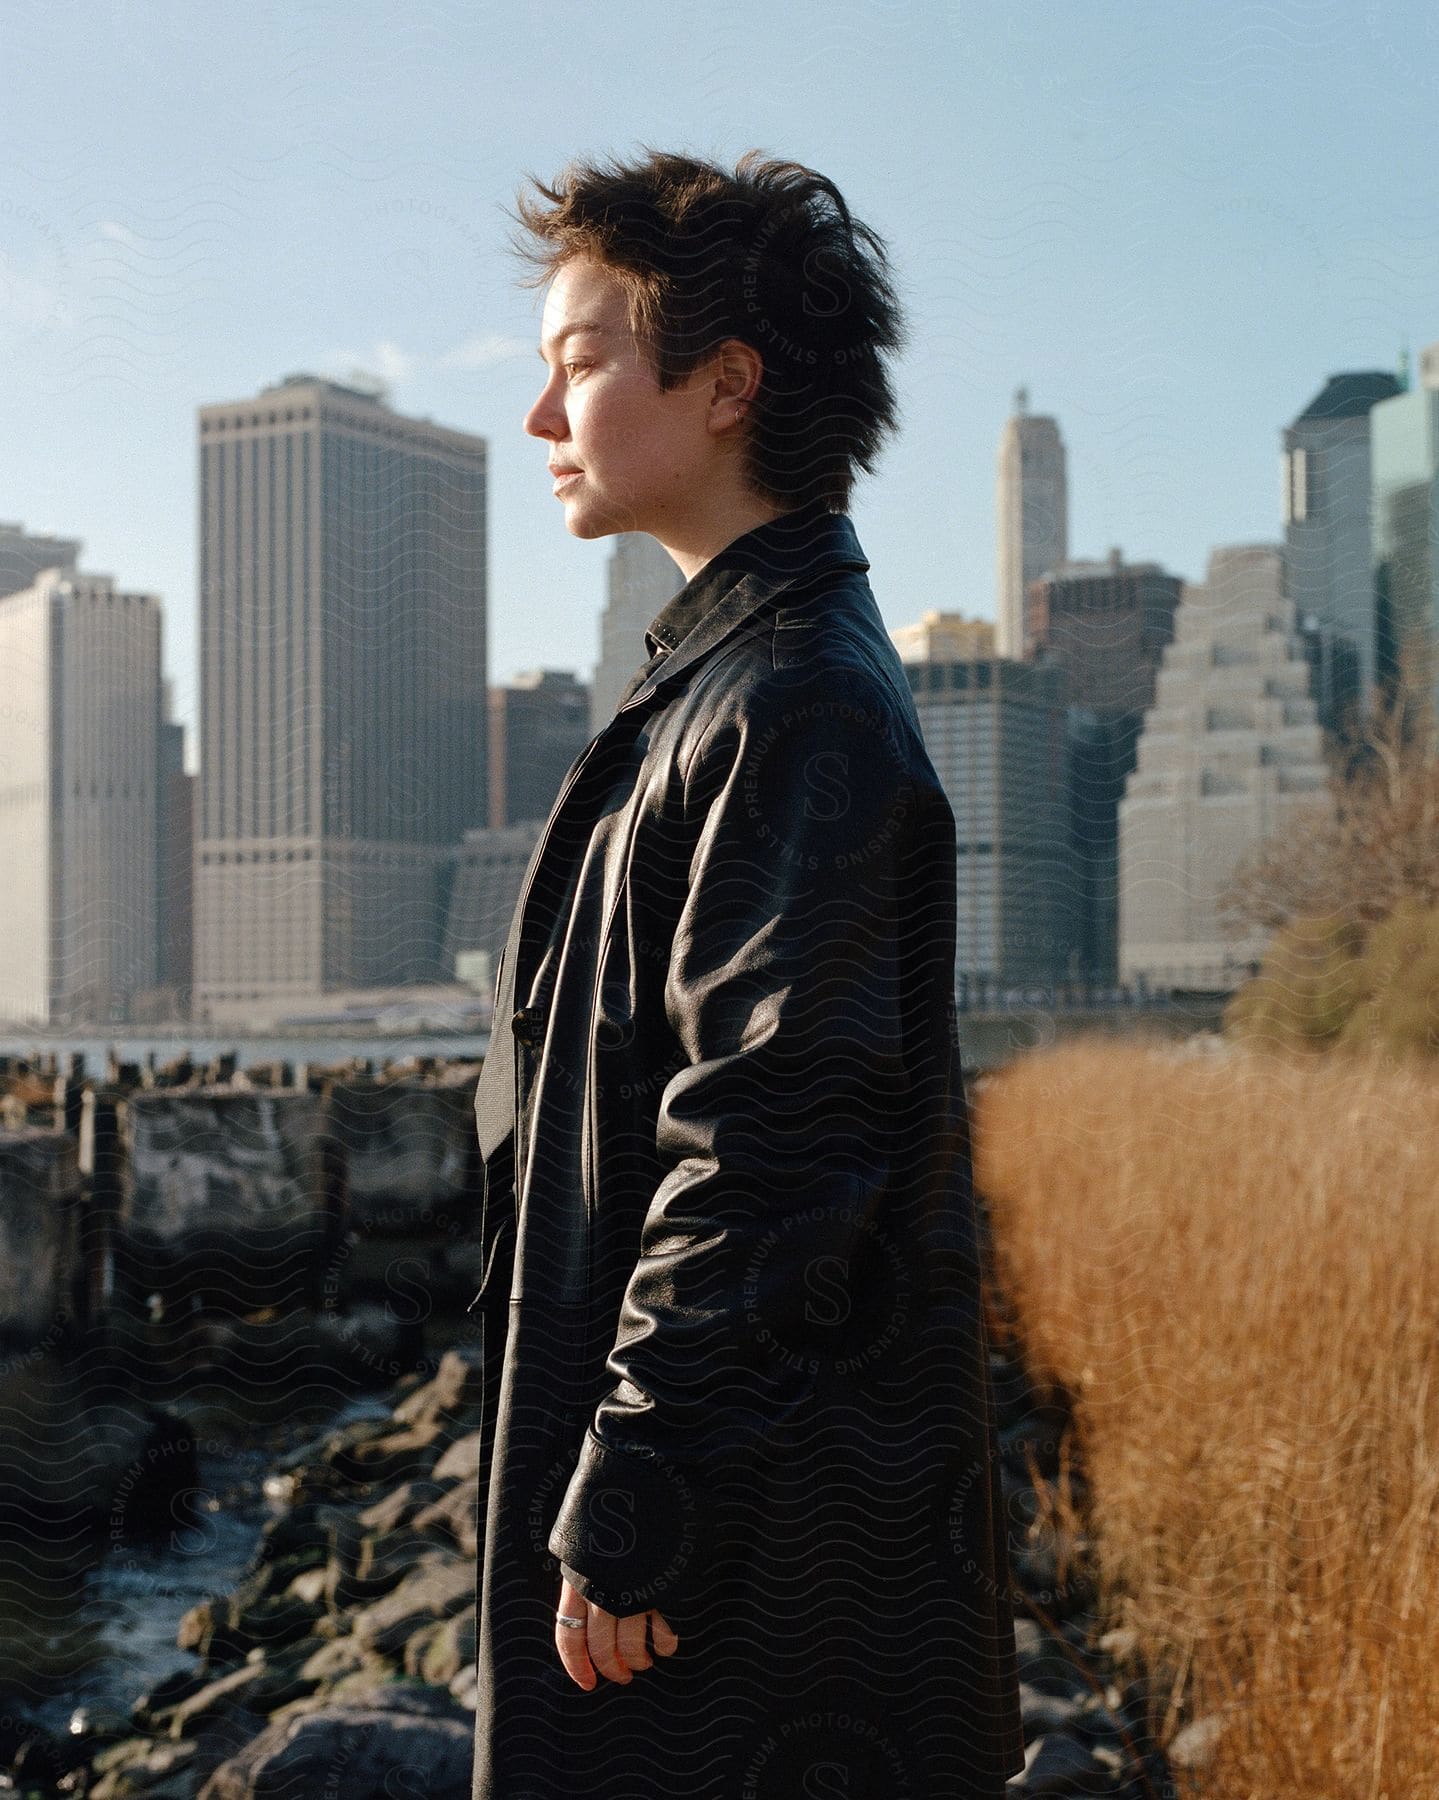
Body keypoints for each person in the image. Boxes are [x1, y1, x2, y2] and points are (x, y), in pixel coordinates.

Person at [469, 145, 1027, 1799]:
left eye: (578, 363)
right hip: (742, 1530)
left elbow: (777, 1133)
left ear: (726, 384)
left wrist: (643, 1487)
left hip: (752, 1580)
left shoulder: (797, 700)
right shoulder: (735, 677)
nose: (541, 419)